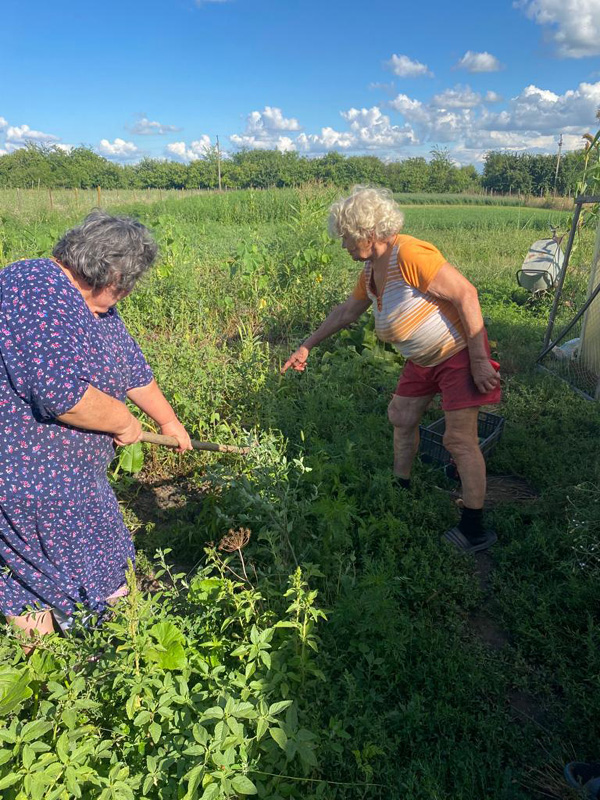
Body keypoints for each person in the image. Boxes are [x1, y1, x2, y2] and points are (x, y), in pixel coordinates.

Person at [0, 209, 192, 644]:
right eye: (125, 286)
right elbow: (60, 393)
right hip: (32, 477)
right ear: (111, 274)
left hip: (61, 476)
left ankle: (52, 676)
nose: (125, 294)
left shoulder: (91, 302)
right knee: (96, 562)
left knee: (30, 572)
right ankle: (116, 658)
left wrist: (168, 420)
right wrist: (124, 421)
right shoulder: (36, 290)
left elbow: (131, 367)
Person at [282, 186, 501, 552]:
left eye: (347, 239)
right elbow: (346, 312)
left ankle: (474, 528)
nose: (344, 246)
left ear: (369, 232)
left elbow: (466, 294)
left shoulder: (411, 254)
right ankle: (400, 486)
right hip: (422, 360)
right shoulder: (370, 269)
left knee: (458, 440)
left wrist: (479, 359)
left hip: (458, 355)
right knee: (400, 416)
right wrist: (307, 345)